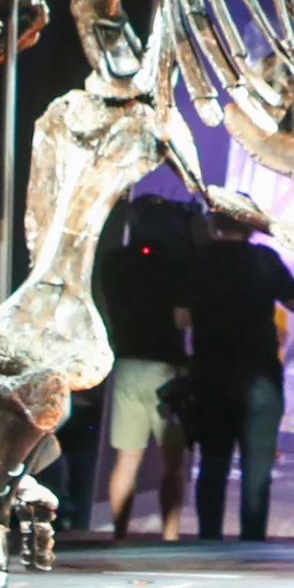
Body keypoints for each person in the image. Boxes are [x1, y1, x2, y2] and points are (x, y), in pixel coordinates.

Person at [179, 209, 294, 541]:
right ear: (250, 224)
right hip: (260, 373)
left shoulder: (198, 259)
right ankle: (252, 541)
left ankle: (209, 538)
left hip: (211, 373)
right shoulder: (264, 259)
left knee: (213, 461)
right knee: (257, 466)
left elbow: (181, 318)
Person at [95, 197, 193, 541]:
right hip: (166, 370)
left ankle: (118, 534)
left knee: (126, 459)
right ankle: (169, 535)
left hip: (125, 365)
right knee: (173, 463)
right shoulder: (175, 265)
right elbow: (183, 318)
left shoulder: (113, 263)